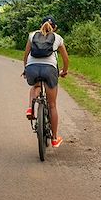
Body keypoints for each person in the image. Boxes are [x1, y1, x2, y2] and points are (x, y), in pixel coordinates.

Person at [23, 16, 69, 148]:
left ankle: (31, 108)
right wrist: (64, 71)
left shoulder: (32, 35)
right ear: (54, 27)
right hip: (50, 70)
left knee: (35, 86)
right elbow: (66, 59)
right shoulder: (58, 38)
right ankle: (54, 138)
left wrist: (26, 69)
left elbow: (26, 55)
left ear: (40, 25)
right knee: (52, 104)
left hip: (32, 68)